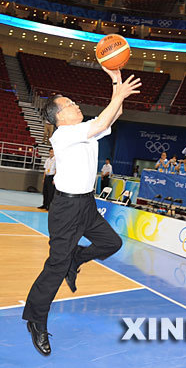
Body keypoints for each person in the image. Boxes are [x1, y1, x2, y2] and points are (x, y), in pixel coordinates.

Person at [22, 69, 141, 356]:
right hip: (66, 209)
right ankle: (36, 320)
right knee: (55, 268)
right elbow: (103, 119)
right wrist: (117, 94)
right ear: (59, 115)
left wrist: (115, 77)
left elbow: (113, 115)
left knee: (112, 243)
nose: (77, 105)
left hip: (86, 204)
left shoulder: (85, 129)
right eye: (71, 104)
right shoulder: (63, 135)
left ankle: (77, 257)